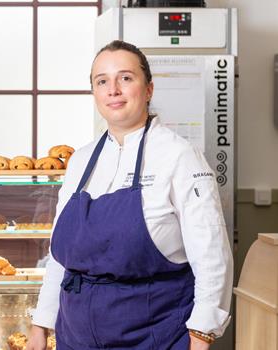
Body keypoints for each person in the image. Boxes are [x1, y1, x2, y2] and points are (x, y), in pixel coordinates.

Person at [27, 40, 232, 350]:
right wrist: (41, 324)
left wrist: (202, 333)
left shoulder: (178, 156)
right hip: (75, 336)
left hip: (153, 334)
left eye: (125, 77)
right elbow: (61, 259)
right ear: (94, 92)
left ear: (148, 89)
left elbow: (211, 255)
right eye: (102, 81)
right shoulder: (81, 161)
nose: (113, 90)